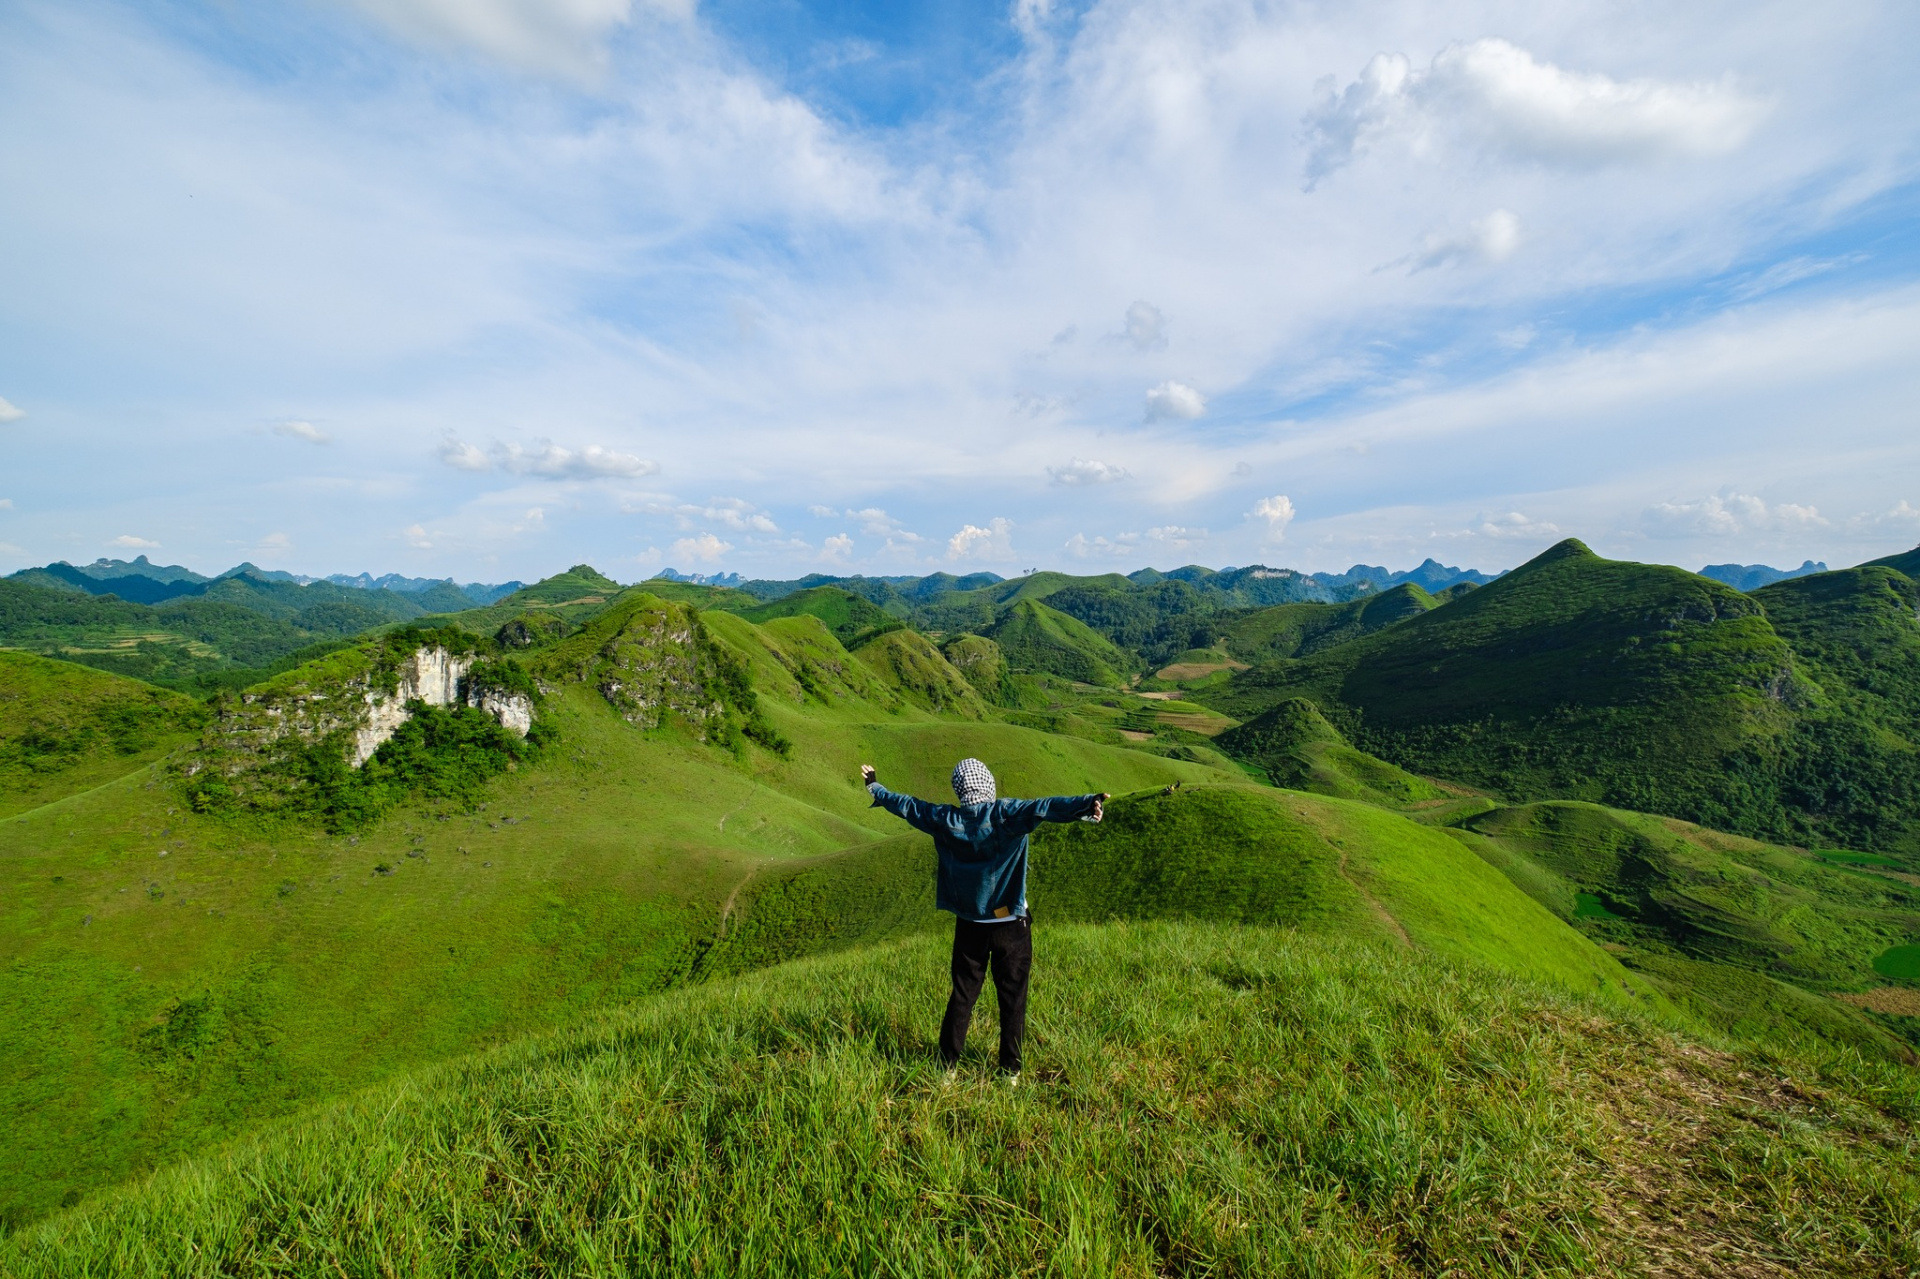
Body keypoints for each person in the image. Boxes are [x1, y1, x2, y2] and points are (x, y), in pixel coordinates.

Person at [860, 757, 1108, 1084]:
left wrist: (874, 786)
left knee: (962, 995)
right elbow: (1045, 807)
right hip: (1011, 927)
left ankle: (946, 1067)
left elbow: (908, 806)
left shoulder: (945, 819)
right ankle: (1010, 1071)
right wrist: (1085, 806)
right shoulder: (1006, 814)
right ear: (988, 784)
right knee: (1013, 999)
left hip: (970, 926)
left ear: (960, 789)